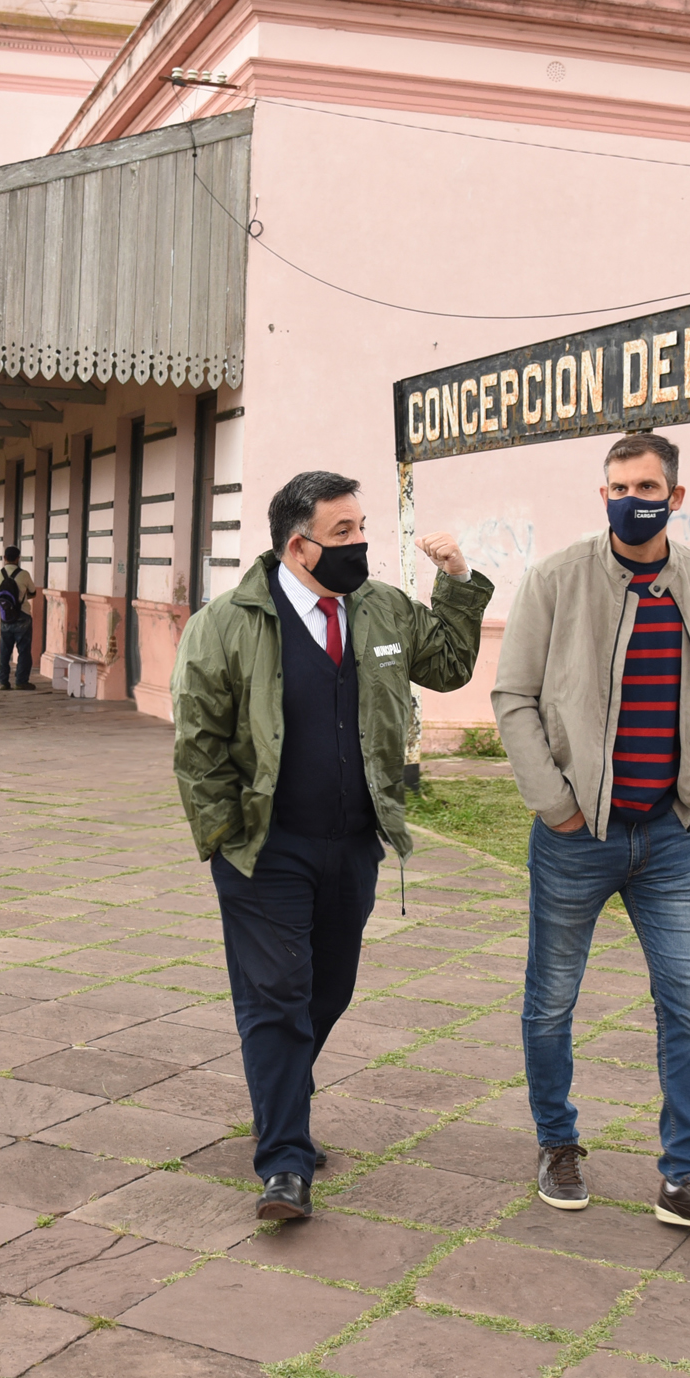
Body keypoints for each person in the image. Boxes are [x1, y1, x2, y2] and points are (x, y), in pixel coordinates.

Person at [172, 470, 490, 1220]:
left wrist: (459, 583)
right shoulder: (228, 624)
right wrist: (223, 838)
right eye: (343, 532)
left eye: (362, 526)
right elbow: (198, 744)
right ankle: (284, 1161)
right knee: (277, 995)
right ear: (298, 546)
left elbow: (447, 666)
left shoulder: (379, 608)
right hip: (265, 848)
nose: (361, 543)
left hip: (352, 844)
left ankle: (279, 1099)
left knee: (330, 988)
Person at [490, 430, 690, 1236]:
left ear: (675, 497)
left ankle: (684, 1176)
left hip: (670, 838)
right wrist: (557, 805)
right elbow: (514, 696)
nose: (629, 498)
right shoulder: (557, 580)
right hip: (577, 836)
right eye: (615, 486)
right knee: (551, 1002)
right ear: (601, 494)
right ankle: (557, 1141)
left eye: (645, 485)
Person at [0, 544, 37, 691]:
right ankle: (21, 681)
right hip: (23, 616)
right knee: (24, 650)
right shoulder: (24, 574)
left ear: (4, 558)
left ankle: (3, 681)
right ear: (18, 558)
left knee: (5, 650)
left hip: (5, 616)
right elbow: (33, 592)